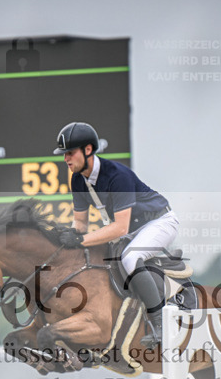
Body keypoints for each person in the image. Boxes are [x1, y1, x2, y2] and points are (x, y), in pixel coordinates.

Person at [53, 121, 180, 347]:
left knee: (130, 258)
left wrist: (80, 240)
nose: (66, 159)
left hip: (160, 222)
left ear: (88, 150)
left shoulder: (117, 176)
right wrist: (65, 236)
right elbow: (80, 224)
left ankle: (161, 323)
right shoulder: (77, 180)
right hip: (134, 230)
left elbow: (120, 228)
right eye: (64, 154)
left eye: (70, 153)